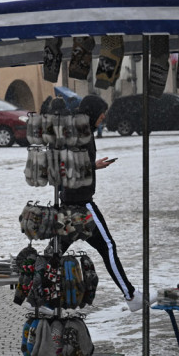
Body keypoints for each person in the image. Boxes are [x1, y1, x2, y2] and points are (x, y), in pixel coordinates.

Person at [54, 94, 143, 311]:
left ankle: (41, 297)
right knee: (108, 247)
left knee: (54, 253)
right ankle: (132, 296)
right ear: (93, 112)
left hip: (69, 202)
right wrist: (90, 167)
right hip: (81, 204)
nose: (103, 118)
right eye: (101, 114)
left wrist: (93, 165)